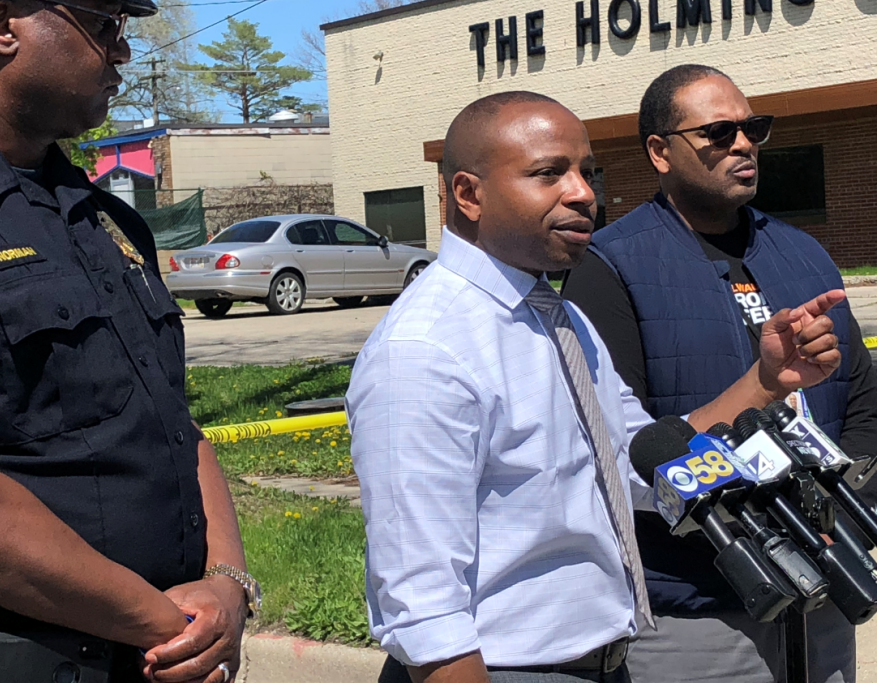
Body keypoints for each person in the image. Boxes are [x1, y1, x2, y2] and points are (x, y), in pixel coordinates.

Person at [346, 90, 846, 683]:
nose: (584, 192)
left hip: (605, 662)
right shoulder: (426, 349)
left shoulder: (559, 317)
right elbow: (421, 602)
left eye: (586, 171)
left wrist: (765, 382)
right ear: (468, 194)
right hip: (504, 669)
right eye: (548, 173)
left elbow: (639, 463)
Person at [0, 0, 259, 682]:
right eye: (101, 25)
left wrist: (227, 585)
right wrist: (171, 627)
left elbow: (175, 425)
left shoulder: (103, 218)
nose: (123, 52)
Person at [562, 64, 877, 683]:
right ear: (659, 151)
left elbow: (863, 400)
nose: (743, 144)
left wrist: (841, 515)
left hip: (828, 589)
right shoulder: (609, 268)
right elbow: (621, 448)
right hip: (698, 608)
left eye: (752, 127)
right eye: (718, 132)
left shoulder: (803, 251)